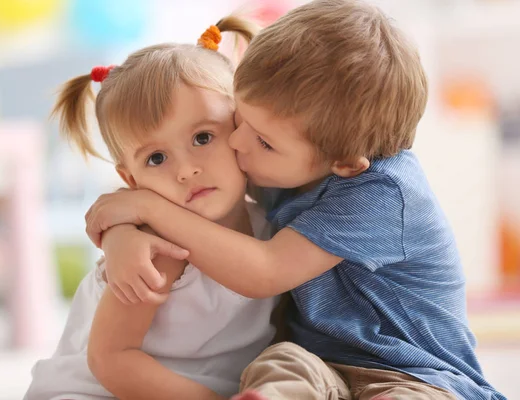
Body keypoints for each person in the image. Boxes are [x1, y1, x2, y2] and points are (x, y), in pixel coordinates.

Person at [84, 1, 506, 399]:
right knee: (278, 366)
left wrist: (147, 209)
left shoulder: (382, 194)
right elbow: (173, 189)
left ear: (344, 164)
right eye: (240, 118)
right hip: (320, 363)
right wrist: (124, 232)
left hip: (416, 372)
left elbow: (264, 271)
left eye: (262, 140)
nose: (236, 141)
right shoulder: (284, 159)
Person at [25, 17, 280, 400]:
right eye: (157, 158)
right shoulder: (157, 250)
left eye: (203, 137)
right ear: (131, 181)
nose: (186, 169)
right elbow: (112, 360)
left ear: (242, 127)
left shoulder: (272, 222)